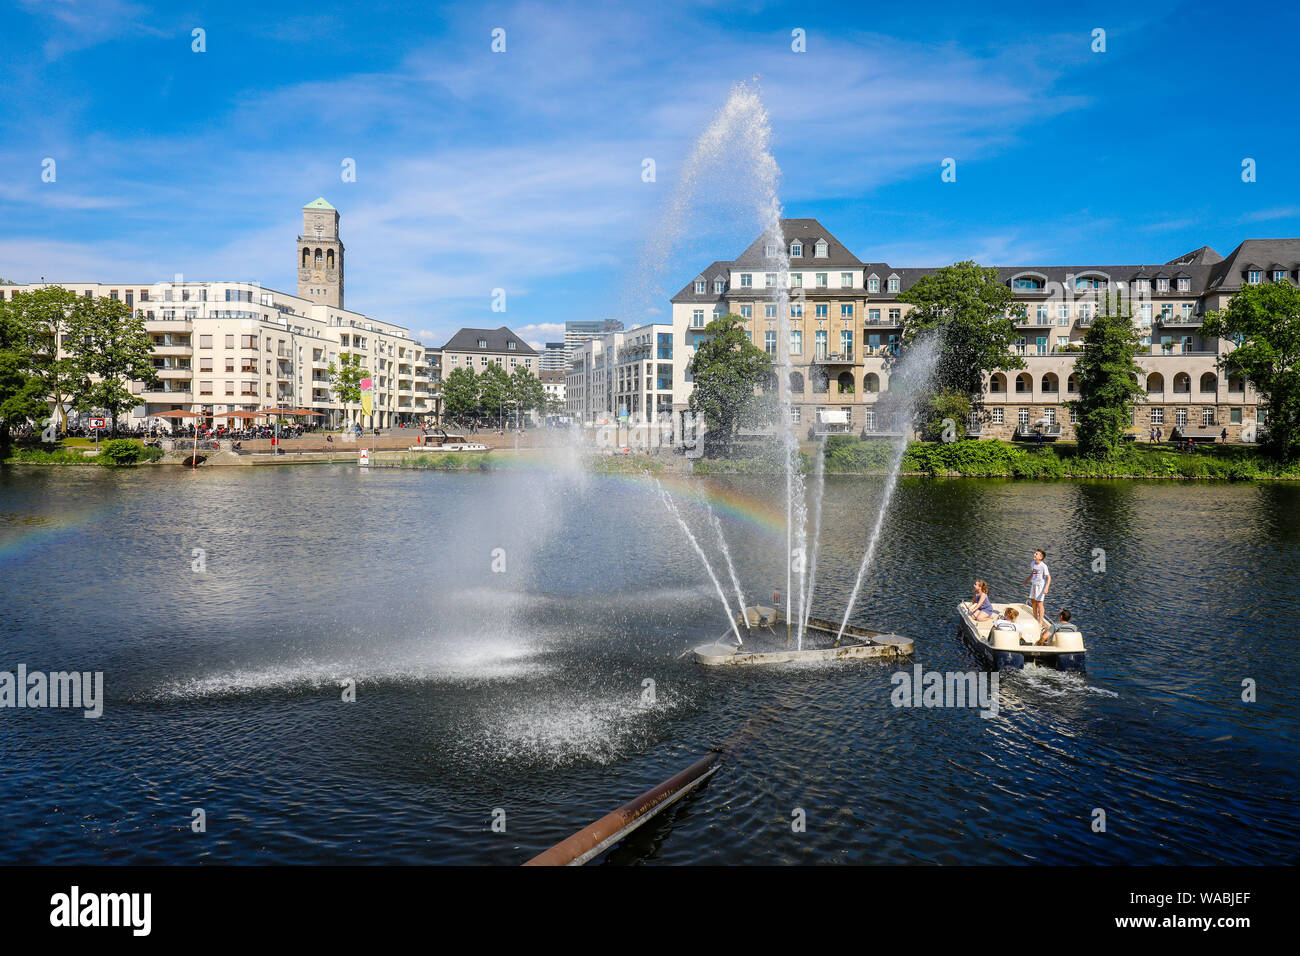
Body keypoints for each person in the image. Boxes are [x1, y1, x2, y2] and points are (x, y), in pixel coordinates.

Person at [1022, 548, 1051, 632]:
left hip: (1041, 586)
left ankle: (1040, 622)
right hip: (1034, 585)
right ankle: (1035, 618)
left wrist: (1046, 587)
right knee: (1033, 602)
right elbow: (1033, 573)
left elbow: (1049, 578)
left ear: (1041, 557)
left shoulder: (1043, 566)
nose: (1034, 555)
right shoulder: (1033, 563)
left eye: (1037, 554)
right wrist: (1027, 580)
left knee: (1040, 604)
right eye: (1035, 553)